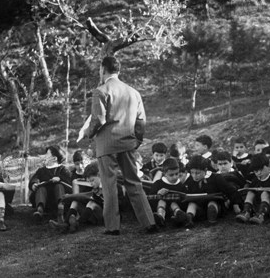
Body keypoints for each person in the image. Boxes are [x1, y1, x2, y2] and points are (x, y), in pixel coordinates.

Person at [88, 55, 157, 235]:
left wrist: (88, 134)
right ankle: (149, 221)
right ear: (119, 70)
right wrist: (137, 140)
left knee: (108, 185)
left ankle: (113, 226)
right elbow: (141, 121)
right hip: (127, 142)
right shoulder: (133, 92)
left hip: (106, 144)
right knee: (134, 182)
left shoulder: (100, 91)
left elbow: (98, 119)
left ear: (103, 69)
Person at [183, 155, 243, 228]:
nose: (194, 176)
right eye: (192, 172)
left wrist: (235, 204)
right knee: (192, 204)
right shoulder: (190, 180)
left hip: (216, 204)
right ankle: (189, 219)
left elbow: (230, 190)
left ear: (205, 170)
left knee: (212, 203)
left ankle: (212, 219)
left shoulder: (216, 178)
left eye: (198, 173)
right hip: (199, 206)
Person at [29, 145, 72, 223]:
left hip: (57, 198)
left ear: (54, 158)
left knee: (59, 186)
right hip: (46, 200)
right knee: (41, 188)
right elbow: (34, 178)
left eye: (47, 155)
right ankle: (40, 210)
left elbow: (69, 182)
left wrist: (60, 179)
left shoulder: (63, 169)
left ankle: (60, 209)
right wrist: (33, 184)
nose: (44, 157)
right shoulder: (41, 170)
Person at [151, 158, 188, 227]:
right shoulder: (158, 184)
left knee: (173, 203)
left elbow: (185, 198)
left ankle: (178, 215)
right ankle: (160, 216)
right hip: (162, 207)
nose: (175, 177)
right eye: (171, 175)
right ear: (164, 174)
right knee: (162, 201)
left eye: (177, 174)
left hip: (174, 209)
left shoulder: (180, 185)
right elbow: (151, 196)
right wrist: (158, 193)